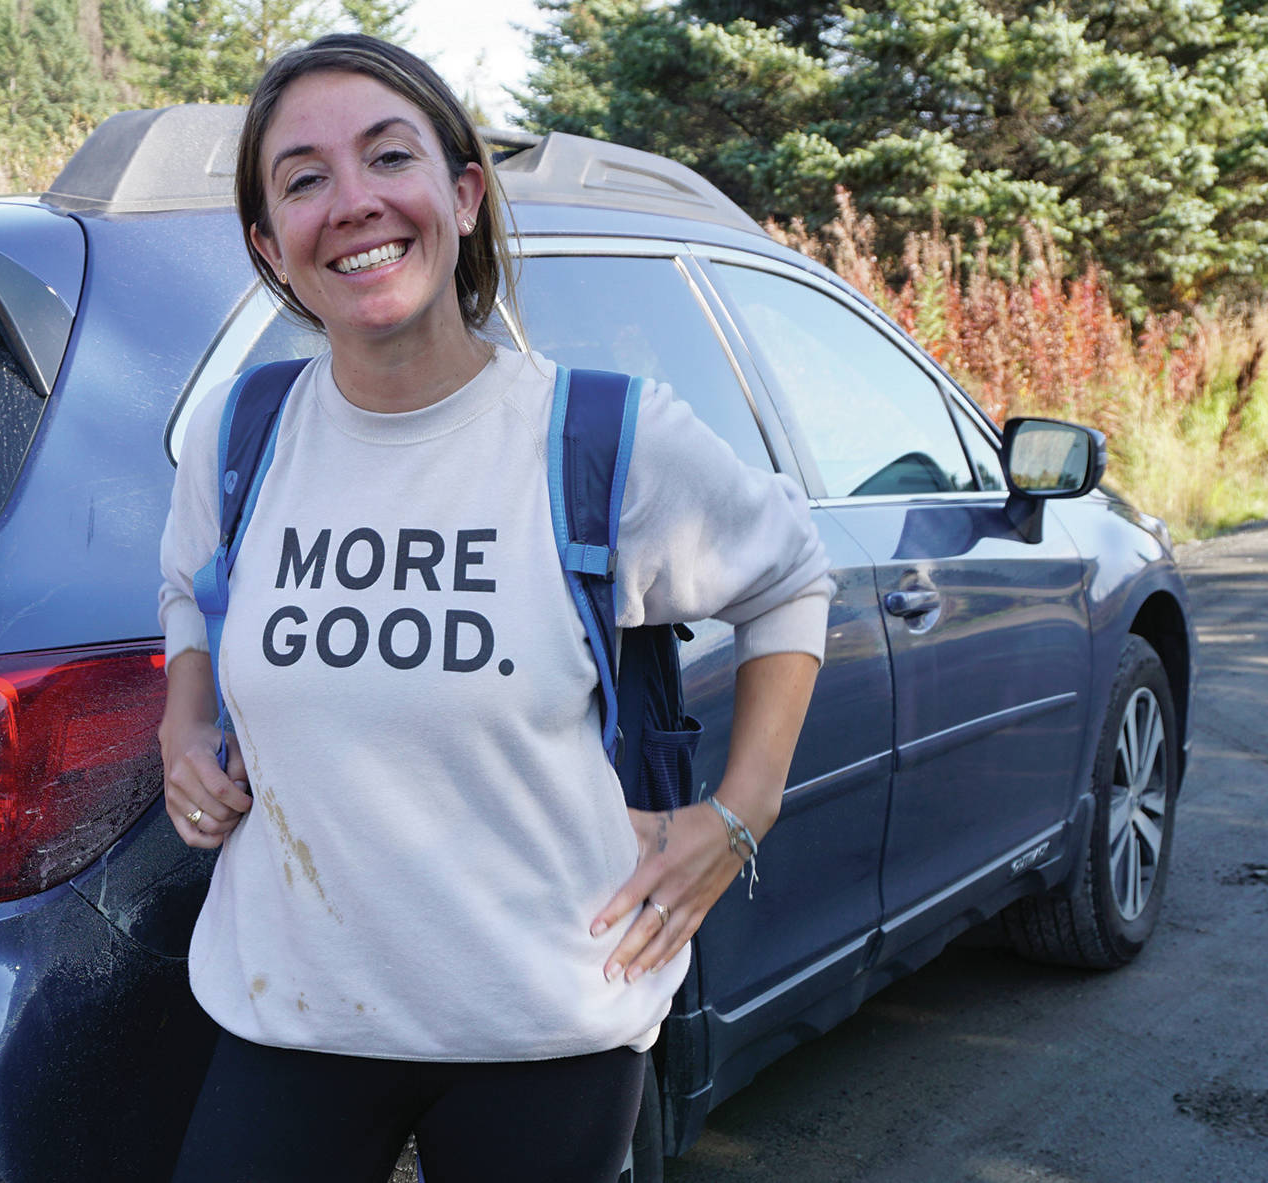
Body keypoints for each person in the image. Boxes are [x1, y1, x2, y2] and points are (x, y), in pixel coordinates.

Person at [157, 33, 830, 1183]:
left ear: (462, 194)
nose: (354, 202)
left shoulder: (602, 439)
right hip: (293, 1007)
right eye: (304, 179)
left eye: (387, 156)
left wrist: (738, 815)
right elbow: (188, 589)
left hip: (540, 1018)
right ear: (271, 246)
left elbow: (791, 582)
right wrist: (181, 717)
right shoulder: (239, 432)